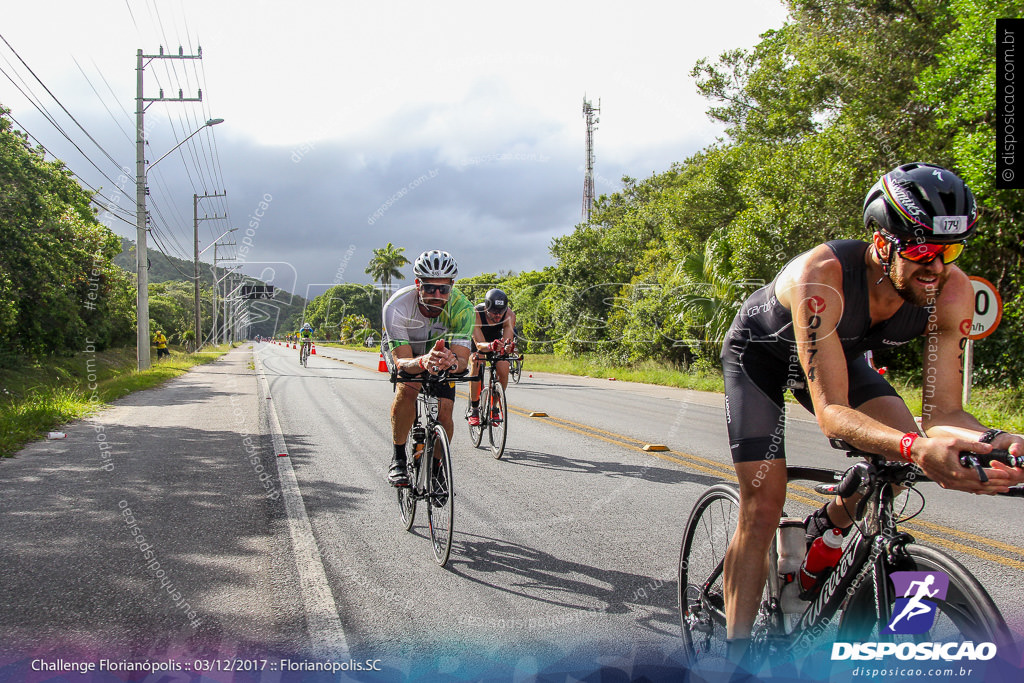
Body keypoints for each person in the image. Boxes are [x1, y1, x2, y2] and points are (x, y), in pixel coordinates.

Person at [719, 162, 1024, 661]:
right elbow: (832, 412)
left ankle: (820, 537)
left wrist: (996, 439)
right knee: (763, 503)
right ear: (882, 243)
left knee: (905, 461)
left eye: (950, 250)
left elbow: (944, 410)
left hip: (839, 356)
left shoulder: (949, 290)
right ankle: (736, 661)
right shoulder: (824, 277)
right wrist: (919, 446)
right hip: (762, 358)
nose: (937, 266)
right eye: (923, 251)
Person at [382, 250, 475, 486]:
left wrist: (450, 363)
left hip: (441, 353)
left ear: (452, 286)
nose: (436, 294)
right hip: (408, 353)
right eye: (429, 288)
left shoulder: (463, 308)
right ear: (417, 284)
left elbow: (462, 361)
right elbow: (402, 361)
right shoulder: (396, 307)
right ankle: (398, 459)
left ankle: (435, 467)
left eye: (443, 289)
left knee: (445, 410)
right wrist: (423, 361)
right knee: (409, 387)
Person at [467, 289, 516, 426]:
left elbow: (507, 340)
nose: (498, 315)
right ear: (486, 308)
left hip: (496, 340)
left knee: (504, 366)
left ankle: (494, 406)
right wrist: (490, 346)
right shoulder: (476, 313)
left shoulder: (509, 315)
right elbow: (479, 345)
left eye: (501, 311)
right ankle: (474, 408)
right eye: (494, 312)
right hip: (480, 341)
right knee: (477, 361)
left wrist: (506, 347)